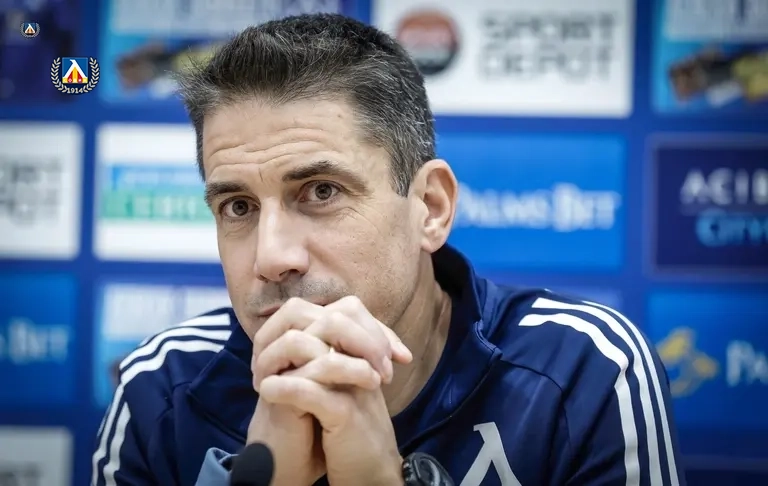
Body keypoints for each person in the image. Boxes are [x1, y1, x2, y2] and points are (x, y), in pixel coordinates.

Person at [91, 13, 686, 486]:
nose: (271, 258)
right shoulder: (159, 388)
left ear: (430, 207)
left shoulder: (584, 370)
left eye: (321, 191)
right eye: (238, 207)